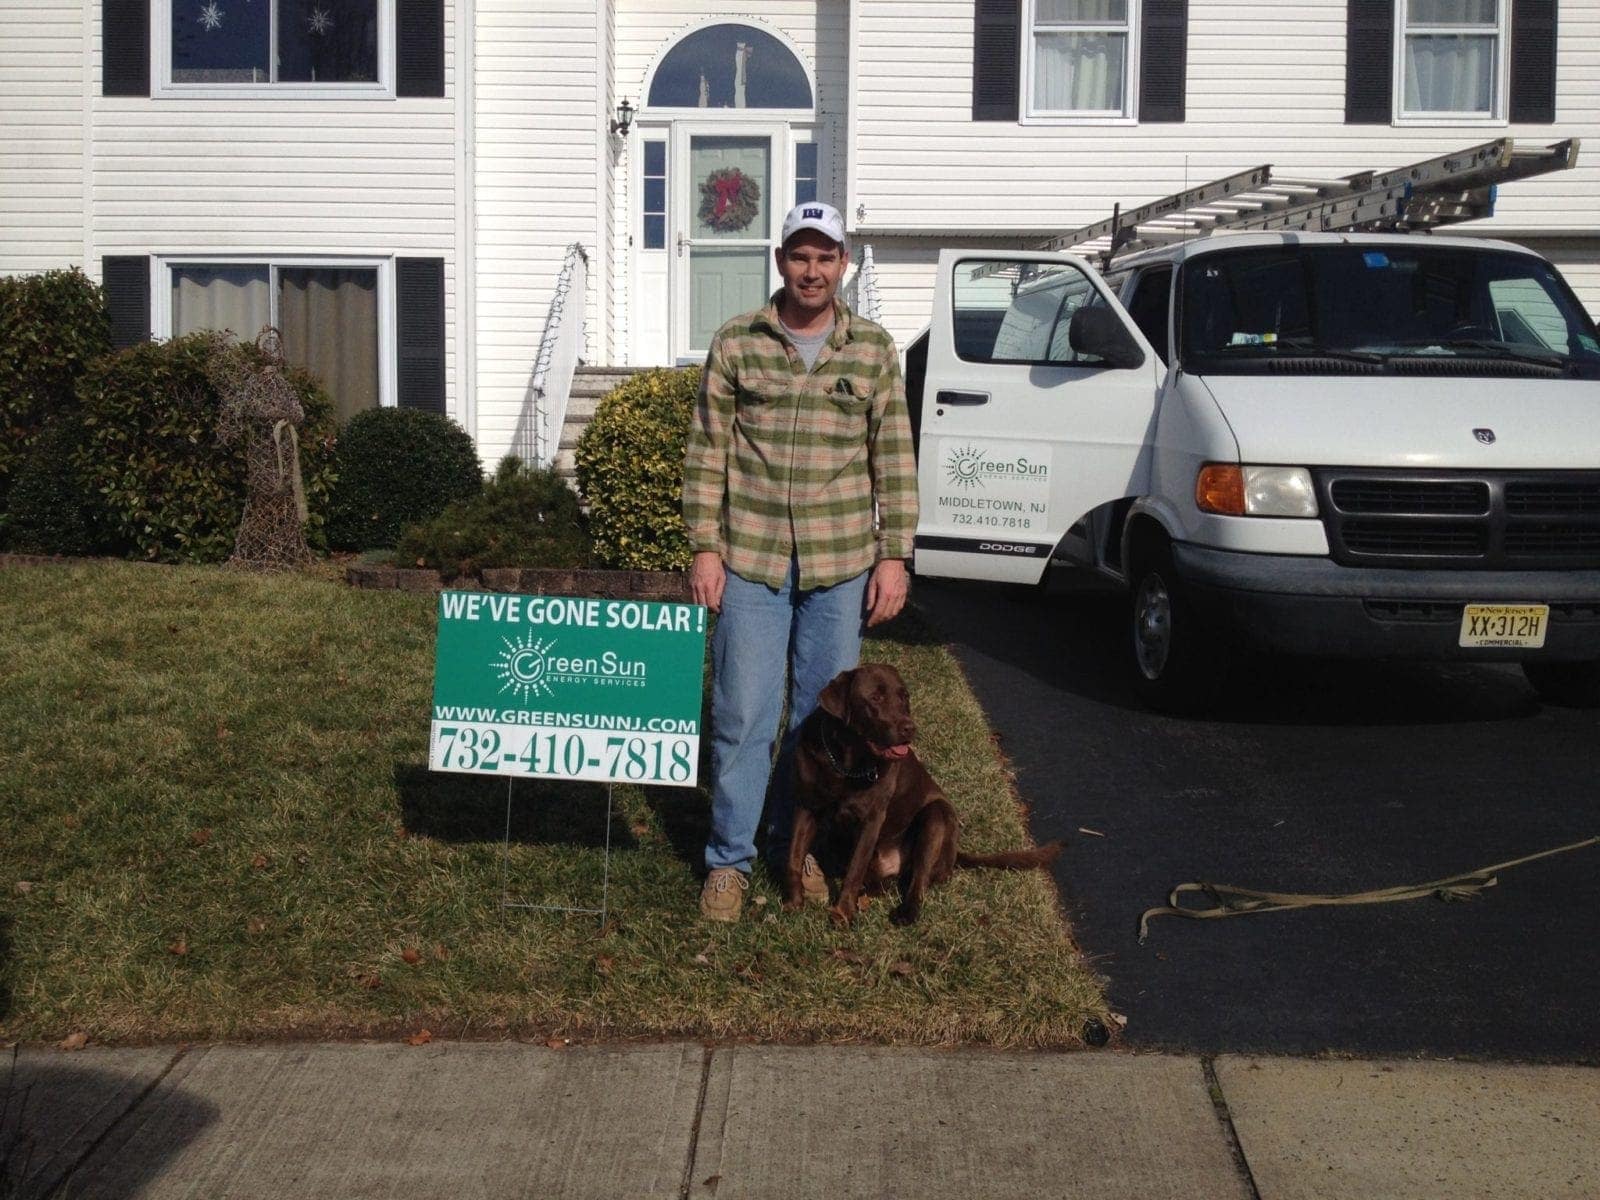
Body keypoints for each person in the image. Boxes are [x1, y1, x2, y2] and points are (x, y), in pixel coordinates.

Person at [682, 200, 919, 922]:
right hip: (751, 558)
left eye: (825, 257)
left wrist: (894, 556)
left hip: (840, 563)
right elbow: (707, 452)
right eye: (799, 255)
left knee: (831, 730)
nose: (811, 270)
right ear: (780, 260)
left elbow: (894, 458)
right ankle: (729, 862)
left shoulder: (873, 350)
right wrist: (703, 544)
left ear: (842, 264)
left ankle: (802, 850)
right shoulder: (737, 343)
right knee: (743, 714)